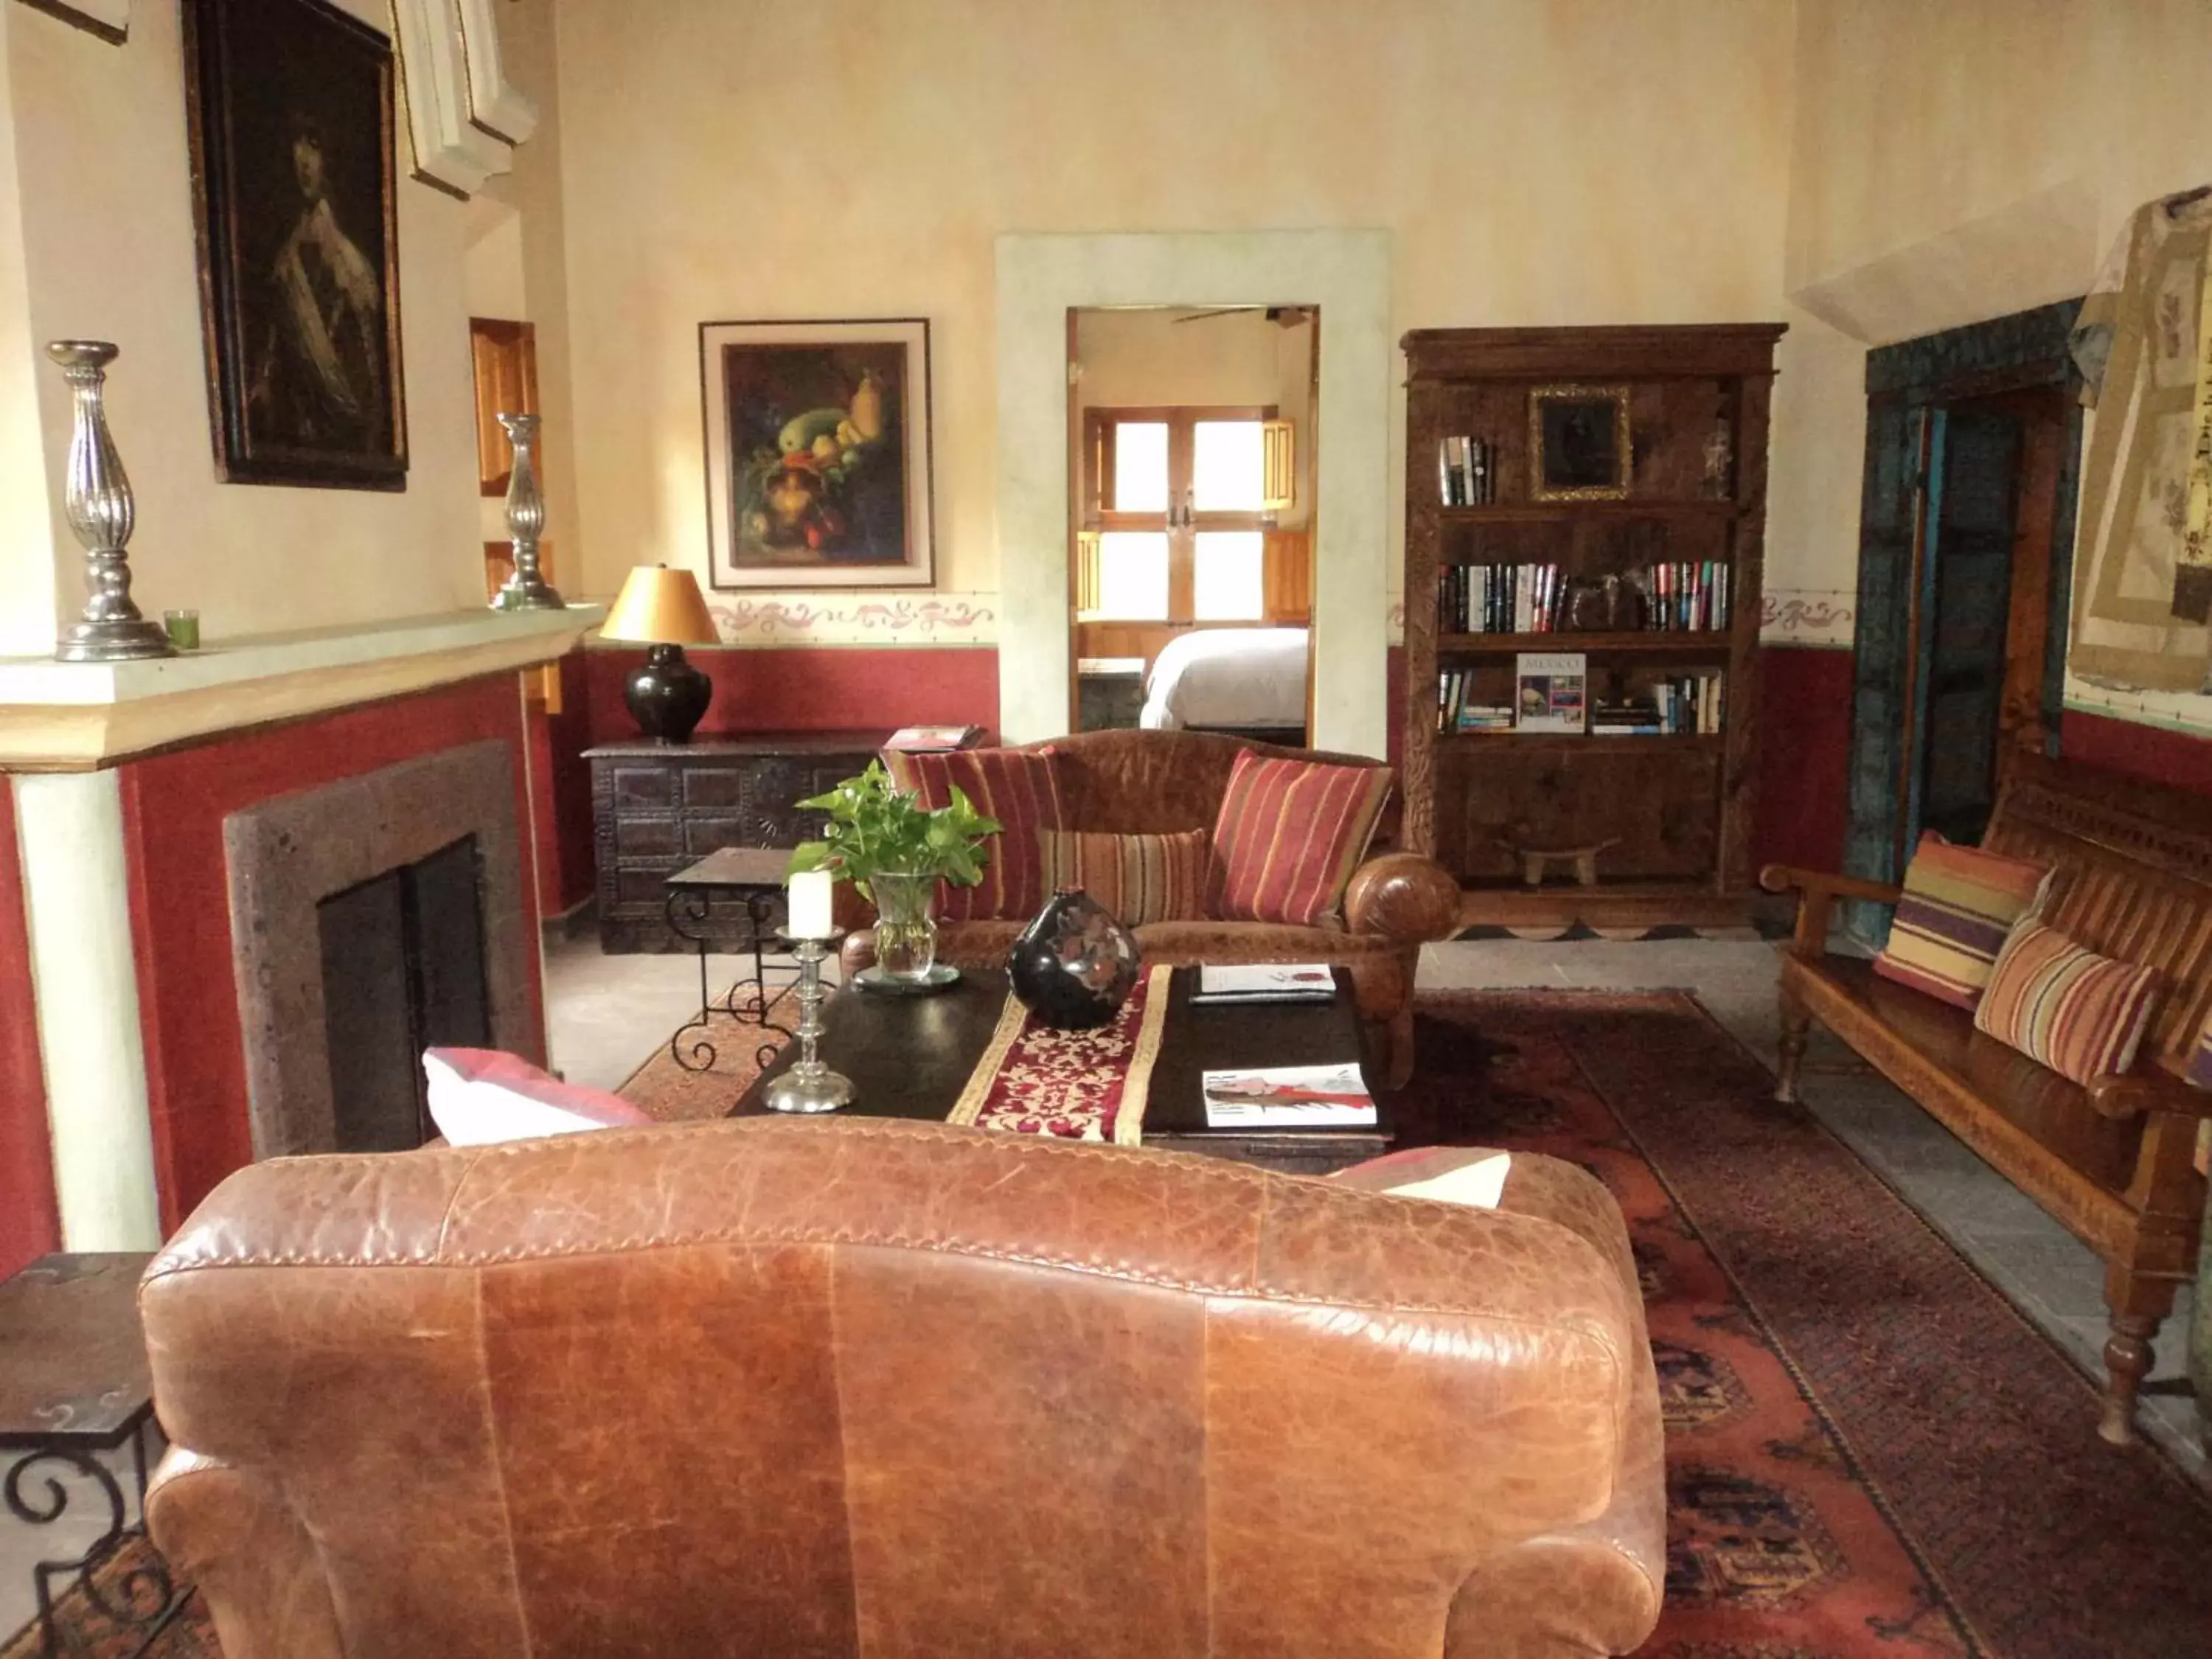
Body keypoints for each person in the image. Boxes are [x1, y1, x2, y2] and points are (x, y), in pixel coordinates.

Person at [250, 114, 385, 452]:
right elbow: (277, 338)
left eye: (313, 149)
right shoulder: (288, 253)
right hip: (302, 417)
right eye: (298, 152)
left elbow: (368, 357)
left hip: (344, 414)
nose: (304, 163)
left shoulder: (349, 257)